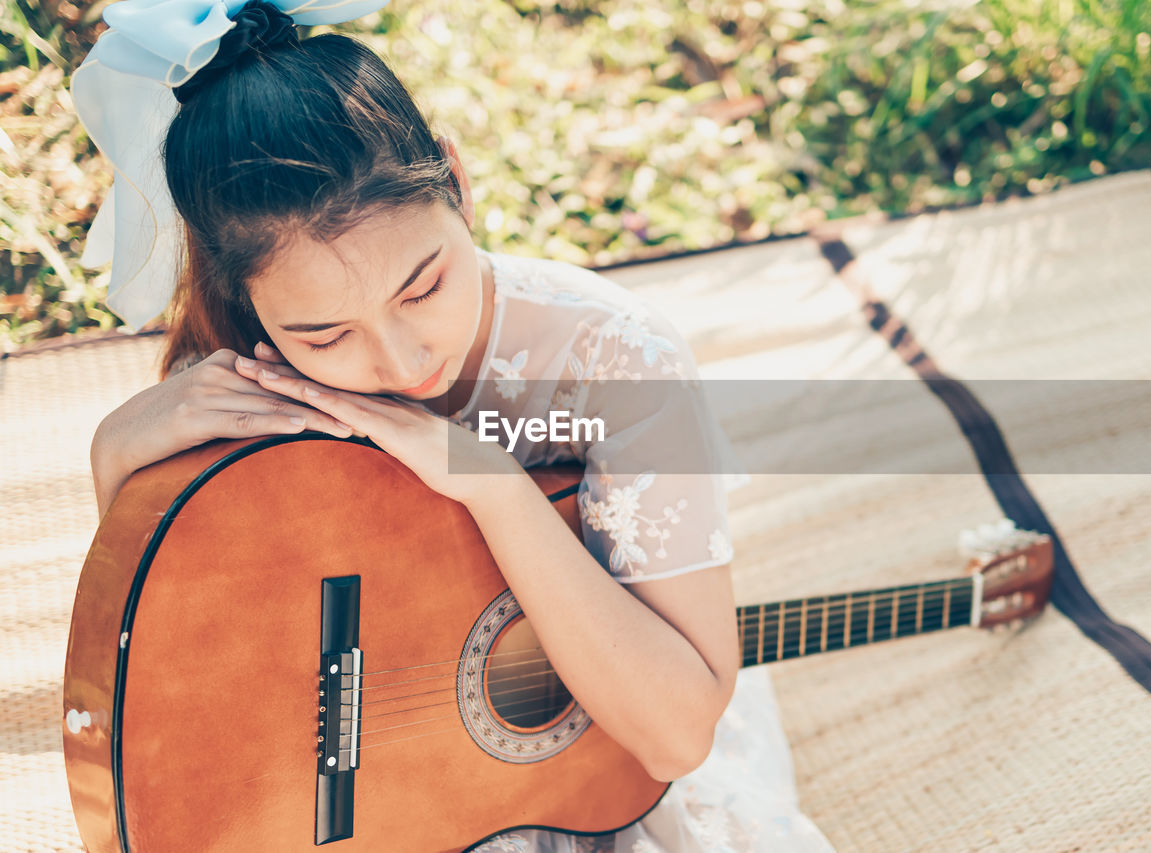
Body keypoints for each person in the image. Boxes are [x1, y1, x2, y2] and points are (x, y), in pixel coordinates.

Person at [73, 1, 836, 850]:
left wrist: (491, 486)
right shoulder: (245, 376)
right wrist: (123, 466)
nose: (401, 364)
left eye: (423, 286)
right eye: (324, 335)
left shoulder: (615, 359)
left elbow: (677, 730)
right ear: (247, 301)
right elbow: (179, 685)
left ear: (458, 183)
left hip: (595, 758)